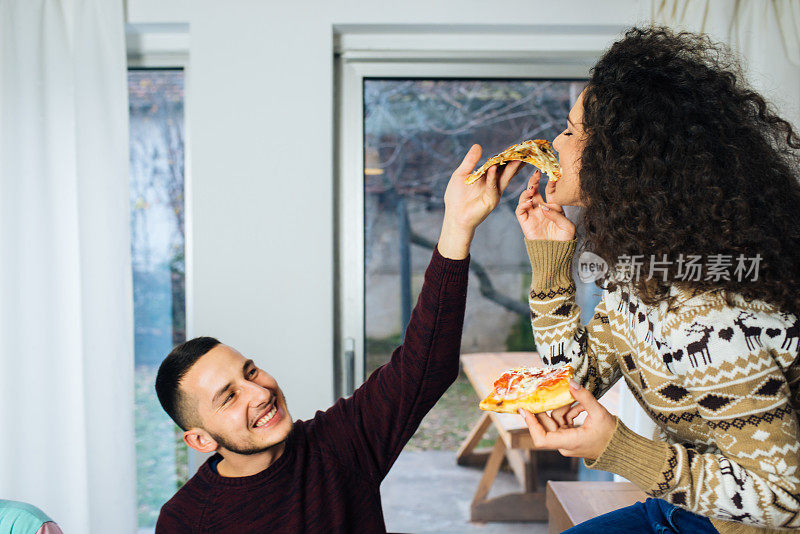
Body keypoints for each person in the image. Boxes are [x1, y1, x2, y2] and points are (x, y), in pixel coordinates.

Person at [514, 27, 800, 533]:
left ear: (625, 162)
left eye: (570, 131)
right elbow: (573, 382)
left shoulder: (712, 317)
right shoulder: (644, 272)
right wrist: (549, 254)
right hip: (685, 509)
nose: (552, 142)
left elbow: (786, 497)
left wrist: (618, 450)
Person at [152, 149, 523, 533]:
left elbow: (424, 366)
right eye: (228, 396)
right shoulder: (185, 521)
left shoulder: (337, 446)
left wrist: (457, 228)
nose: (259, 393)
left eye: (251, 372)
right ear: (199, 440)